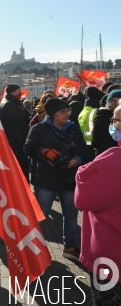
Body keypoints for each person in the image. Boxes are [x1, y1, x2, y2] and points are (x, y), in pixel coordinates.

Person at [24, 98, 90, 261]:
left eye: (68, 110)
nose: (67, 113)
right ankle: (36, 249)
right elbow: (27, 148)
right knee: (41, 216)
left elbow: (85, 150)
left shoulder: (73, 128)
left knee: (71, 216)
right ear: (53, 114)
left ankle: (70, 247)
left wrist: (77, 160)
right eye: (63, 111)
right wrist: (42, 151)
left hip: (68, 180)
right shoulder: (38, 129)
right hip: (45, 181)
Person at [75, 130, 121, 305]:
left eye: (116, 121)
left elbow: (84, 197)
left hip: (111, 257)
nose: (113, 126)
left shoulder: (112, 160)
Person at [0, 84, 30, 180]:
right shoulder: (9, 104)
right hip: (15, 144)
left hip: (13, 142)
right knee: (21, 168)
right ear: (13, 92)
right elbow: (14, 126)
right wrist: (22, 143)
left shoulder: (8, 102)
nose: (20, 93)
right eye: (18, 91)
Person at [91, 89, 121, 156]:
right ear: (109, 103)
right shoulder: (102, 116)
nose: (116, 103)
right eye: (113, 100)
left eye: (119, 100)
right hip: (107, 156)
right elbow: (96, 141)